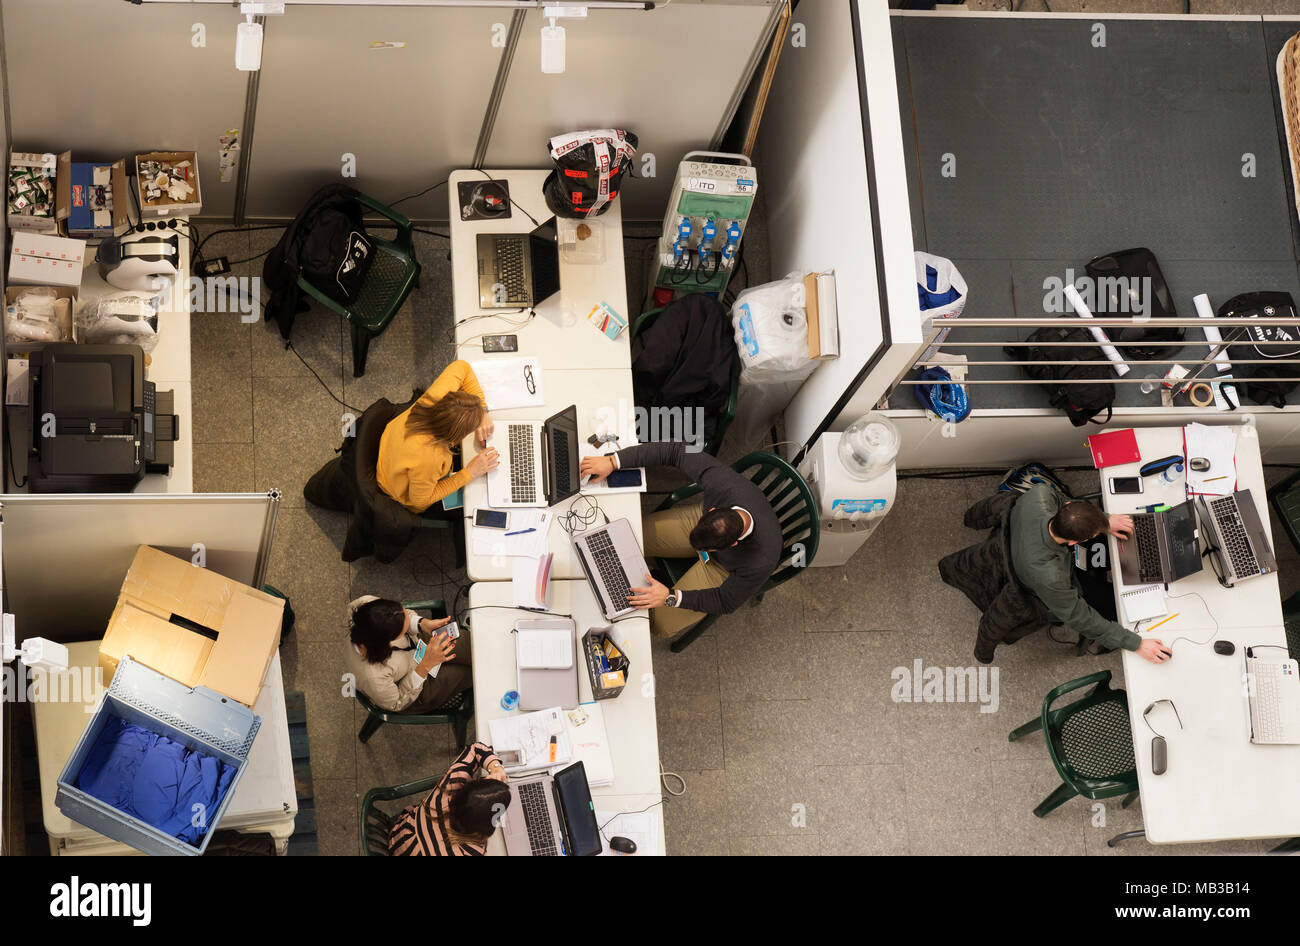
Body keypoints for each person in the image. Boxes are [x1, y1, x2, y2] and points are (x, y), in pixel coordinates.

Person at [579, 441, 782, 639]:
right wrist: (614, 461)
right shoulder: (722, 483)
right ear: (712, 511)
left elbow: (725, 601)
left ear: (732, 545)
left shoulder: (761, 560)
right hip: (702, 526)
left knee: (660, 623)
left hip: (724, 568)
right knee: (627, 540)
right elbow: (676, 450)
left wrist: (670, 597)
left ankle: (659, 587)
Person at [1010, 484, 1171, 665]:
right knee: (1114, 603)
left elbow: (1064, 502)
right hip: (1059, 578)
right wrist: (1136, 643)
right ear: (1073, 543)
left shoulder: (1040, 494)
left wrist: (1105, 520)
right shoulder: (1051, 578)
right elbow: (1079, 617)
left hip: (1033, 543)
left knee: (1109, 545)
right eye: (1090, 535)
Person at [376, 360, 498, 514]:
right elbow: (419, 503)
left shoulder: (434, 399)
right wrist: (469, 473)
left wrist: (482, 410)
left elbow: (462, 367)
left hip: (392, 450)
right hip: (398, 489)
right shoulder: (429, 458)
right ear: (456, 436)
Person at [345, 596, 471, 713]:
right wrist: (425, 666)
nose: (407, 616)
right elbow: (397, 703)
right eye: (404, 629)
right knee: (472, 673)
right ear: (389, 641)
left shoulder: (363, 604)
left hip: (415, 641)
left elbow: (405, 616)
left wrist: (420, 623)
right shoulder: (373, 677)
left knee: (472, 644)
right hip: (414, 687)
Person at [388, 742, 512, 856]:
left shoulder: (449, 787)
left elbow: (474, 748)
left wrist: (495, 768)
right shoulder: (473, 851)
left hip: (400, 840)